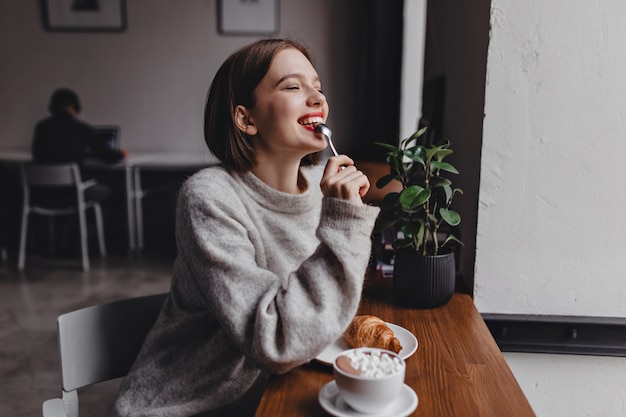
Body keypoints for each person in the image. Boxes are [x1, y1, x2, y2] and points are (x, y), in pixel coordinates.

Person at [113, 38, 380, 416]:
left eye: (318, 87)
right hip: (193, 405)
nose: (316, 97)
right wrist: (344, 222)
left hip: (279, 390)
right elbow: (276, 340)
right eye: (292, 86)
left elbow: (317, 312)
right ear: (246, 119)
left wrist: (346, 213)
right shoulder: (208, 198)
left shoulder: (325, 187)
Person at [31, 88, 126, 202]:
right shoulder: (81, 129)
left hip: (43, 194)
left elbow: (37, 153)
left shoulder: (41, 127)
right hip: (73, 193)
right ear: (73, 107)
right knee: (114, 186)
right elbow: (108, 156)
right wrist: (122, 154)